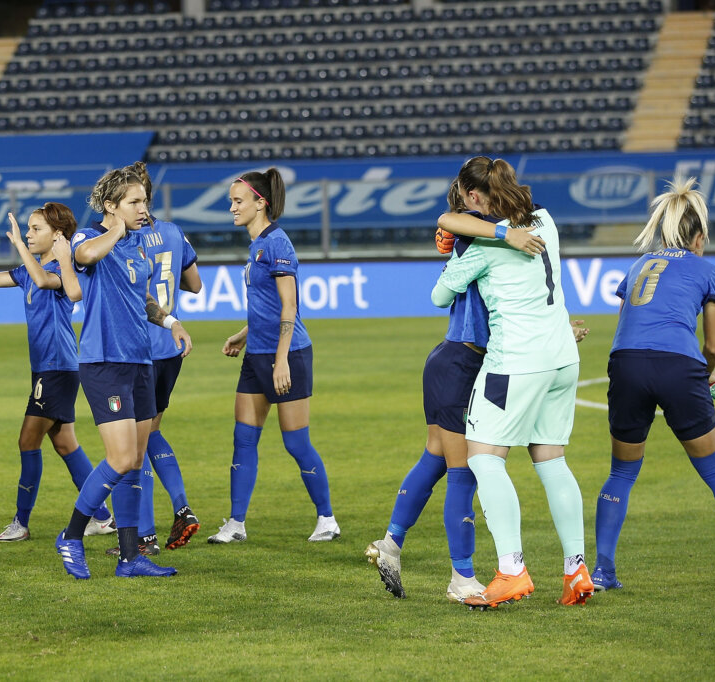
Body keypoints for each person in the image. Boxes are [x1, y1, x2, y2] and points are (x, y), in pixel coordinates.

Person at [365, 181, 548, 601]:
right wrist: (504, 231)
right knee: (464, 471)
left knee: (436, 459)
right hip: (459, 365)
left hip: (457, 361)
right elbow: (449, 223)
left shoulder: (483, 233)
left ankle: (390, 545)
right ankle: (461, 578)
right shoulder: (481, 233)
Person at [431, 156, 593, 609]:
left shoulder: (482, 249)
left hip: (516, 362)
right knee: (551, 460)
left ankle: (511, 569)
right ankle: (576, 568)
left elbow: (439, 295)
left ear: (474, 197)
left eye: (466, 198)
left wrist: (462, 246)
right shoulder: (545, 220)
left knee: (483, 457)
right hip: (563, 357)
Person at [593, 178, 715, 590]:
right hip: (679, 367)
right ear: (699, 236)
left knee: (621, 473)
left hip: (627, 363)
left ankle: (602, 570)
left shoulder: (637, 266)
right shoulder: (706, 269)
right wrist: (704, 373)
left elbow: (627, 328)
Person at [55, 162, 192, 580]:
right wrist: (116, 227)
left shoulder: (135, 245)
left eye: (145, 201)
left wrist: (170, 322)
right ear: (112, 206)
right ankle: (72, 535)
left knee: (134, 460)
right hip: (105, 363)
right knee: (119, 457)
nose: (143, 208)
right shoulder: (92, 236)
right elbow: (84, 257)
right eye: (134, 202)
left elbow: (143, 297)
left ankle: (130, 557)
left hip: (139, 363)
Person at [208, 168, 339, 545]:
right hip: (257, 356)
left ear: (259, 203)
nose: (231, 207)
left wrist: (281, 360)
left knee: (296, 443)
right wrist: (243, 336)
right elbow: (264, 308)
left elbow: (289, 307)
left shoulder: (278, 243)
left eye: (237, 201)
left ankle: (327, 519)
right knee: (243, 439)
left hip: (289, 355)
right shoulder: (256, 245)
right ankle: (236, 524)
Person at [0, 206, 115, 543]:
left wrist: (19, 243)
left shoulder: (65, 270)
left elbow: (41, 279)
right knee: (65, 444)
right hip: (47, 367)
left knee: (27, 440)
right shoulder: (29, 270)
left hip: (58, 367)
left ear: (57, 235)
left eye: (36, 229)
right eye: (29, 230)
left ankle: (21, 522)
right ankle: (103, 516)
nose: (30, 234)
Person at [134, 167, 203, 554]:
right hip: (170, 349)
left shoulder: (121, 237)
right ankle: (182, 508)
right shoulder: (175, 233)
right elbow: (194, 284)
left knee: (136, 442)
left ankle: (145, 537)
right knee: (150, 432)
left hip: (137, 348)